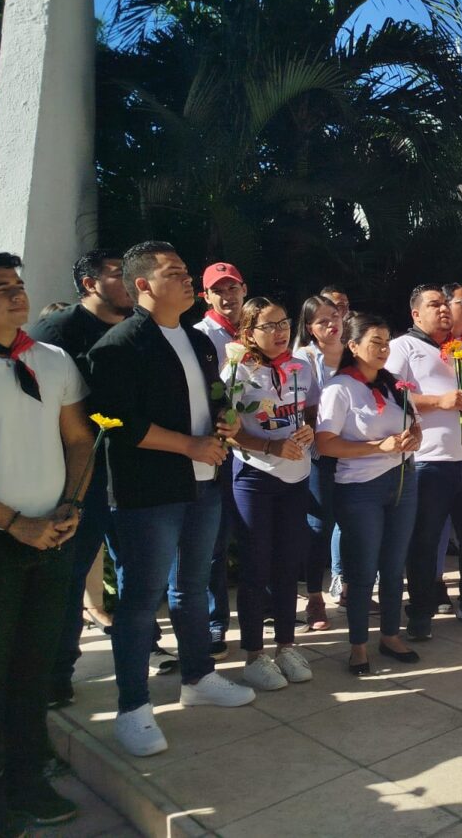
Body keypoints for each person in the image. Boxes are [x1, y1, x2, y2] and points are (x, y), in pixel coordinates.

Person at [0, 250, 95, 835]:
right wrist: (13, 522)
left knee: (33, 667)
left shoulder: (52, 360)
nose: (16, 295)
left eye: (19, 285)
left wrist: (69, 507)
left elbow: (80, 440)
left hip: (50, 536)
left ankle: (30, 779)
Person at [88, 241, 255, 759]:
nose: (187, 280)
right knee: (142, 601)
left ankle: (199, 677)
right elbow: (118, 424)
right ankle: (133, 708)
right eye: (175, 272)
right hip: (149, 493)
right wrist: (189, 445)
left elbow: (208, 401)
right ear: (143, 285)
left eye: (186, 271)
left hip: (203, 482)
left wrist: (225, 420)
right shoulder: (119, 347)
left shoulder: (200, 342)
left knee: (193, 584)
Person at [29, 249, 177, 709]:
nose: (129, 283)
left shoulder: (138, 330)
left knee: (134, 565)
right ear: (90, 284)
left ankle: (142, 645)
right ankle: (57, 673)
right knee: (72, 574)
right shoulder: (55, 334)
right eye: (117, 275)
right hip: (82, 473)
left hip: (132, 468)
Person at [386, 284, 462, 640]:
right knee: (424, 540)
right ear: (415, 314)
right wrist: (439, 402)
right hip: (428, 461)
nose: (443, 310)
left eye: (445, 304)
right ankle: (421, 610)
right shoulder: (403, 347)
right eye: (433, 305)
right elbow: (391, 394)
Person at [317, 313, 423, 674]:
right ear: (353, 345)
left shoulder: (394, 384)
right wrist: (380, 446)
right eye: (375, 341)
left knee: (394, 565)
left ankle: (391, 635)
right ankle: (358, 645)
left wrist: (413, 438)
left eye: (386, 342)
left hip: (403, 482)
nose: (383, 349)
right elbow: (326, 444)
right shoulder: (340, 388)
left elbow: (415, 426)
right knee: (362, 570)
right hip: (361, 489)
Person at [225, 297, 316, 690]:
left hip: (297, 477)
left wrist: (308, 432)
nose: (280, 332)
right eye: (269, 326)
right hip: (255, 477)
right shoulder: (236, 372)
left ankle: (285, 645)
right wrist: (269, 446)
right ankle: (253, 655)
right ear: (248, 332)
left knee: (287, 565)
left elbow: (307, 412)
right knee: (256, 565)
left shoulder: (301, 366)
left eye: (284, 323)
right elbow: (228, 429)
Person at [194, 262, 247, 659]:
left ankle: (256, 607)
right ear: (206, 296)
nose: (228, 296)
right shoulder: (200, 336)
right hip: (217, 449)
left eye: (234, 288)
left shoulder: (254, 329)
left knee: (251, 533)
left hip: (255, 447)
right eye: (219, 290)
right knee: (214, 541)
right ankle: (215, 620)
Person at [294, 295, 347, 626]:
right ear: (310, 328)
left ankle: (350, 588)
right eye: (322, 321)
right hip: (321, 454)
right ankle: (315, 596)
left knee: (355, 520)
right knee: (319, 523)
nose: (331, 324)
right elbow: (300, 408)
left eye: (335, 316)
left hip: (356, 451)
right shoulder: (304, 359)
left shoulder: (354, 352)